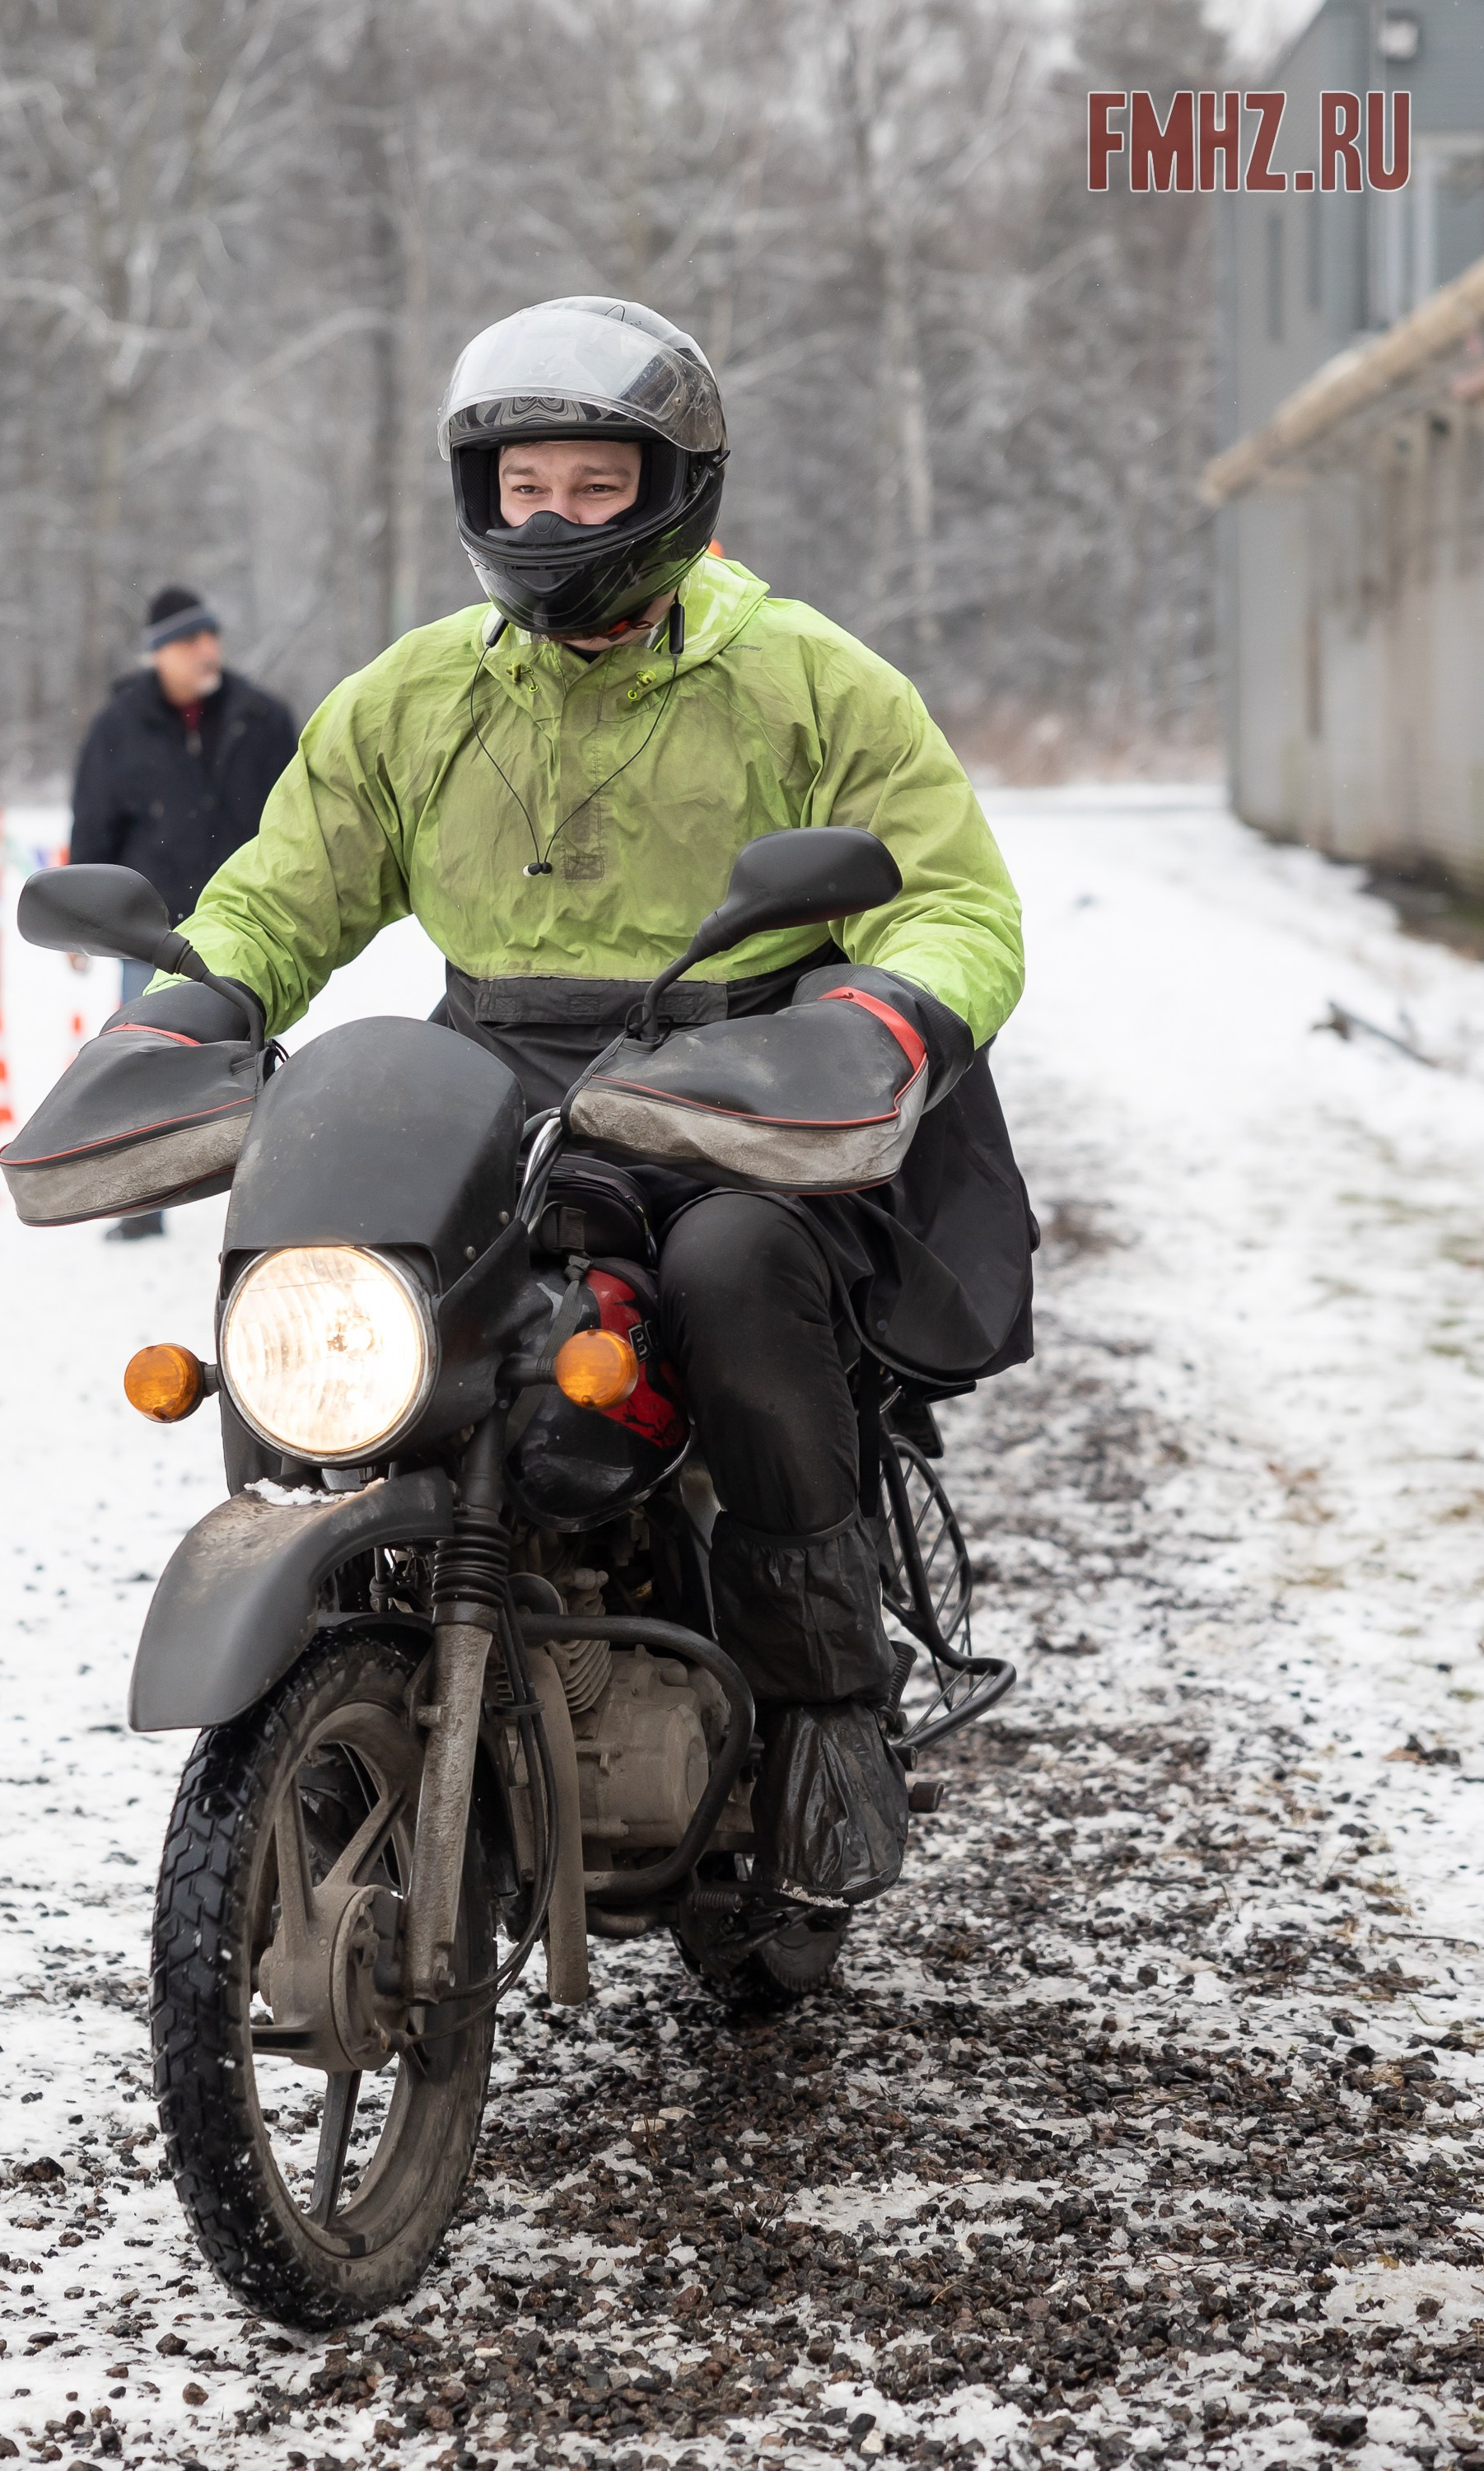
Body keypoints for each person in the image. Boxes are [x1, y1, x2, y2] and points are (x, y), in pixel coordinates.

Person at [161, 296, 1034, 1731]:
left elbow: (952, 904)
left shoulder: (807, 681)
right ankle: (327, 1645)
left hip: (743, 1102)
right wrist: (188, 1003)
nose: (553, 519)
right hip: (485, 1106)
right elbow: (277, 893)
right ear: (477, 495)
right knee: (317, 1273)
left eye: (593, 485)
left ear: (674, 489)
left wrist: (881, 1015)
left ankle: (821, 1722)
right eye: (524, 487)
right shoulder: (414, 696)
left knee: (738, 1275)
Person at [69, 584, 297, 1237]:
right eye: (191, 641)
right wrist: (83, 925)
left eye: (211, 637)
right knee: (145, 1068)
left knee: (263, 1065)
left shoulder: (263, 717)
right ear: (158, 654)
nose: (207, 651)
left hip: (257, 922)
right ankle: (144, 1207)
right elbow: (94, 828)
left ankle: (269, 1204)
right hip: (152, 930)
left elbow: (301, 819)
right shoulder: (118, 727)